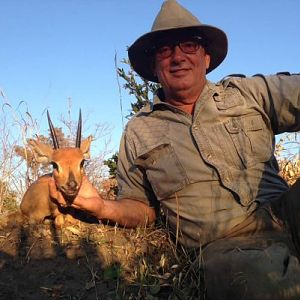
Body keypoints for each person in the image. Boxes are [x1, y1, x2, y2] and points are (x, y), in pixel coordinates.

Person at [49, 0, 300, 299]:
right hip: (227, 245)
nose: (178, 56)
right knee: (262, 284)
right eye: (165, 50)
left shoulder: (249, 93)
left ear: (206, 57)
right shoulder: (138, 131)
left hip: (286, 210)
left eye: (189, 45)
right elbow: (142, 209)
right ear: (155, 66)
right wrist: (101, 206)